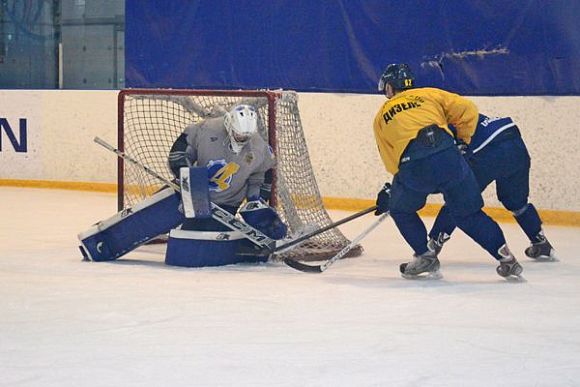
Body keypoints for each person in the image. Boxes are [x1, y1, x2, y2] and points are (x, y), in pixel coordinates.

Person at [78, 104, 286, 267]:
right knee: (147, 217)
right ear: (229, 123)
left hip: (225, 206)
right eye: (239, 134)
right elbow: (177, 155)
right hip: (188, 194)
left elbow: (263, 172)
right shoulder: (205, 129)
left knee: (196, 244)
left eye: (246, 136)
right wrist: (192, 177)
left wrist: (255, 199)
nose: (242, 138)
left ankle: (248, 247)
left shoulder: (259, 147)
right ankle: (100, 242)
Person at [373, 63, 523, 280]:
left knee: (400, 210)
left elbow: (391, 160)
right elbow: (468, 109)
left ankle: (426, 257)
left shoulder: (381, 116)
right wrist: (463, 141)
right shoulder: (429, 94)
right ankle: (507, 259)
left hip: (415, 167)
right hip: (449, 158)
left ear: (389, 88)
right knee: (468, 214)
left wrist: (395, 190)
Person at [427, 113, 557, 260]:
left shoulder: (438, 124)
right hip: (515, 144)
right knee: (516, 202)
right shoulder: (461, 111)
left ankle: (432, 248)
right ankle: (540, 241)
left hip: (490, 151)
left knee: (458, 198)